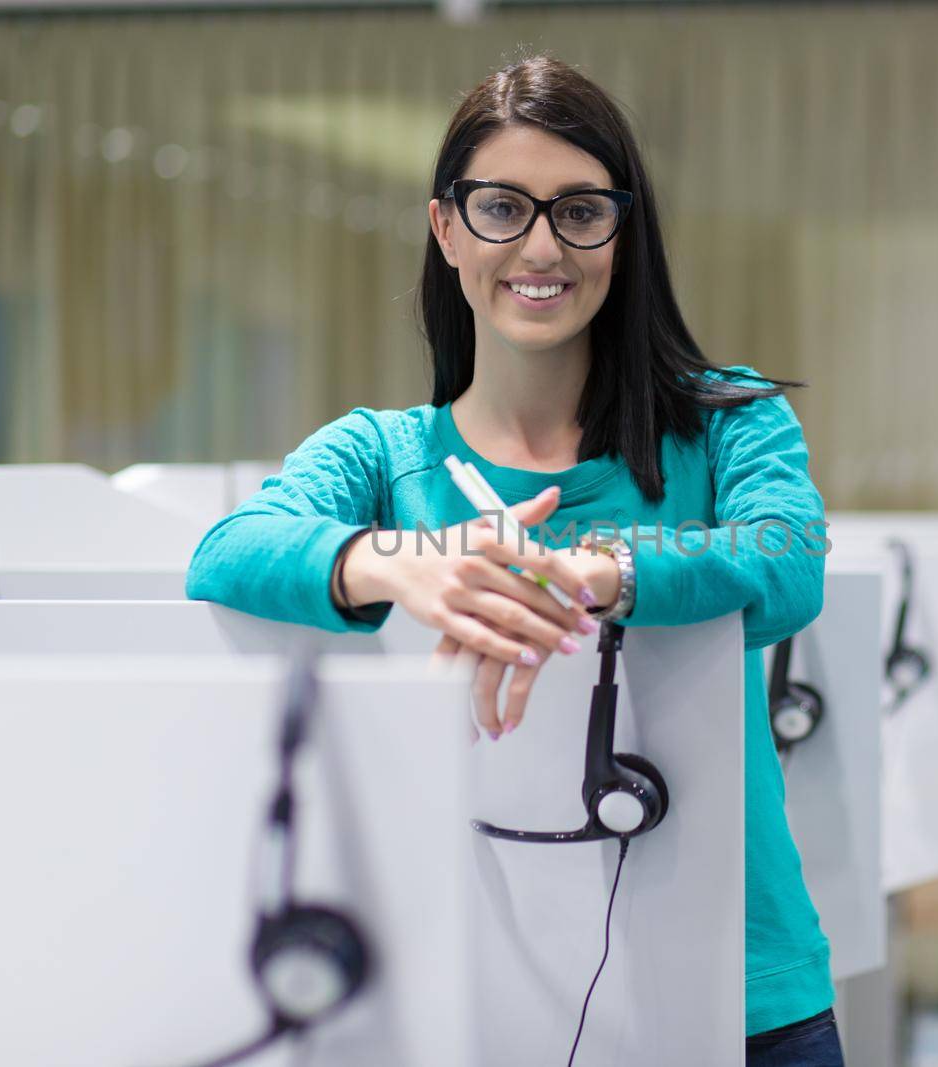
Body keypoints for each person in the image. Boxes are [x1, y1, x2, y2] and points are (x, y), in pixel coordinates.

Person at [186, 52, 842, 1066]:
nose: (541, 244)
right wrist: (407, 560)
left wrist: (585, 573)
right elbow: (228, 552)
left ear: (623, 235)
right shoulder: (381, 454)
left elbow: (786, 564)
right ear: (447, 227)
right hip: (469, 990)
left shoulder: (729, 423)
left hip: (743, 989)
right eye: (502, 206)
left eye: (580, 210)